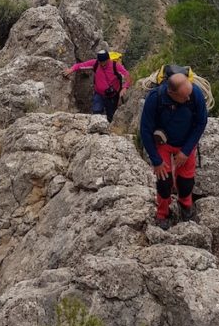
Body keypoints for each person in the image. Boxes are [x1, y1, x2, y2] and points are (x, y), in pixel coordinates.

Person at [139, 72, 208, 229]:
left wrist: (186, 150)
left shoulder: (194, 93)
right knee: (164, 181)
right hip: (163, 142)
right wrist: (156, 160)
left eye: (189, 94)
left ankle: (185, 206)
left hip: (186, 142)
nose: (188, 99)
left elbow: (201, 122)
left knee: (186, 181)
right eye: (184, 97)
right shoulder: (155, 98)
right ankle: (162, 213)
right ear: (171, 93)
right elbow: (145, 130)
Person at [63, 49, 131, 122]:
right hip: (99, 94)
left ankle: (109, 130)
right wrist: (71, 69)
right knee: (96, 112)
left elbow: (127, 75)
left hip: (112, 96)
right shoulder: (95, 63)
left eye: (103, 62)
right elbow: (80, 65)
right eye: (100, 62)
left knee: (111, 115)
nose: (102, 64)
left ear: (108, 59)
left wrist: (125, 87)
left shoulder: (115, 66)